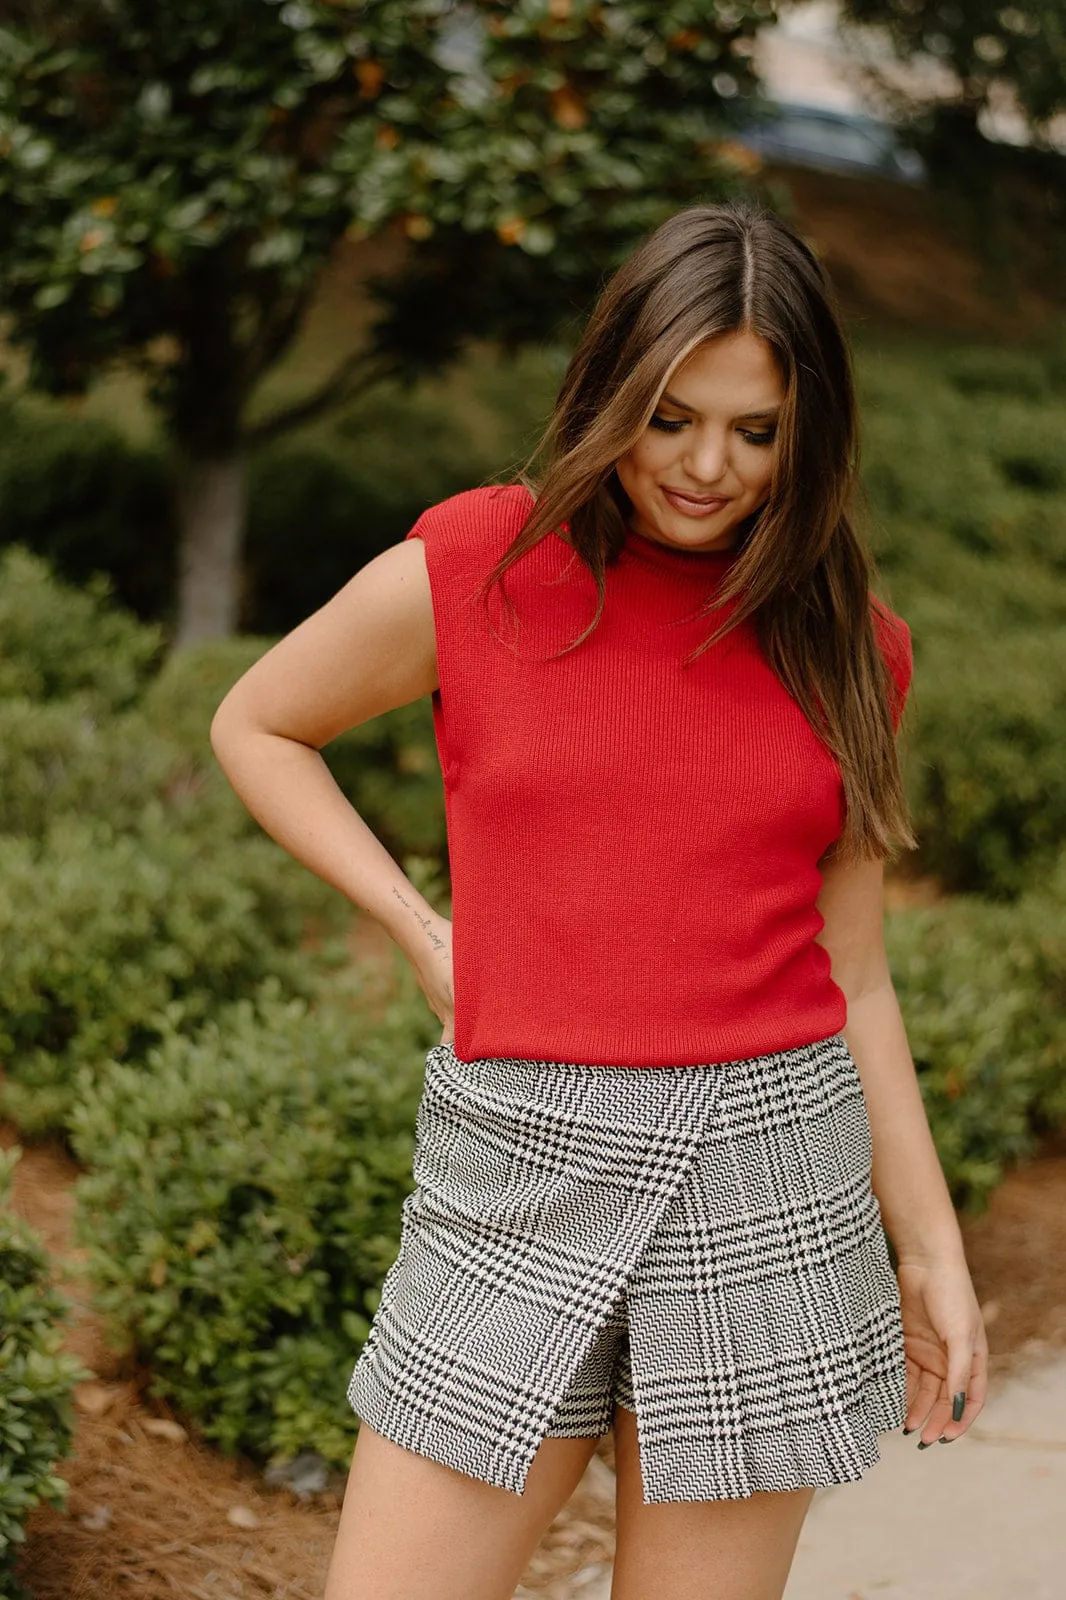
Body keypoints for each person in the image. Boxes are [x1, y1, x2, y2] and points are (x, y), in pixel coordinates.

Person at [210, 202, 989, 1600]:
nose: (706, 467)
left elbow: (853, 974)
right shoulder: (482, 566)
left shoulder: (850, 646)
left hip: (771, 1170)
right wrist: (418, 924)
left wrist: (929, 1249)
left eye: (755, 433)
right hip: (518, 1162)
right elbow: (260, 725)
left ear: (807, 434)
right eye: (672, 417)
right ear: (611, 388)